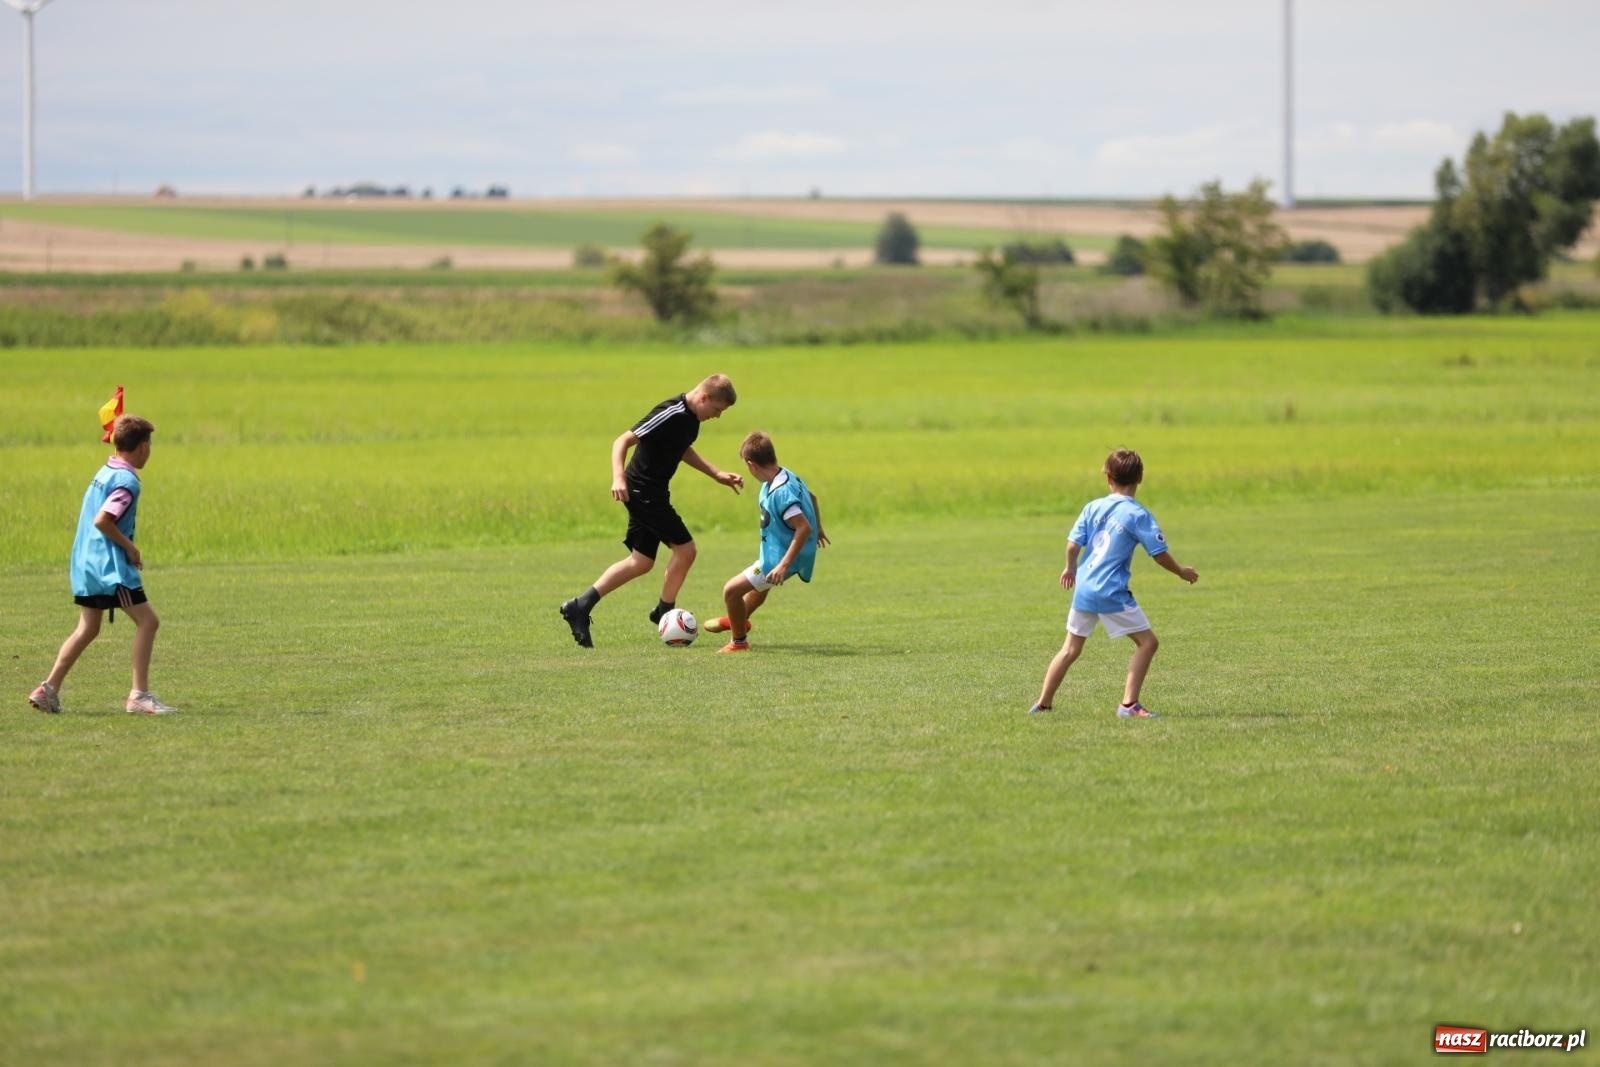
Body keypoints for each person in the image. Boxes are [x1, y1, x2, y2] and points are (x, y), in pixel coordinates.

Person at [560, 374, 743, 648]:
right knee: (686, 550)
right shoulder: (671, 412)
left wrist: (715, 473)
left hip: (653, 492)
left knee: (641, 562)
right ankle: (664, 611)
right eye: (717, 410)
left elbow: (681, 449)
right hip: (641, 491)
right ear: (704, 397)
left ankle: (580, 605)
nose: (718, 416)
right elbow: (621, 441)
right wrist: (617, 477)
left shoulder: (691, 420)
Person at [28, 414, 178, 716]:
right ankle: (139, 696)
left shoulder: (107, 469)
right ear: (143, 447)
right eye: (149, 444)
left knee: (88, 627)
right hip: (110, 569)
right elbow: (103, 520)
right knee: (148, 622)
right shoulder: (127, 481)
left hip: (85, 564)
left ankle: (48, 689)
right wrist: (131, 547)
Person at [1031, 448, 1197, 718]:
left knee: (1070, 649)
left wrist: (1070, 569)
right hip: (1111, 591)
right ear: (1140, 478)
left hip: (1084, 587)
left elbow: (1073, 545)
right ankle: (1129, 705)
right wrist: (1181, 571)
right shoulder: (1138, 515)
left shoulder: (1092, 507)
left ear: (1108, 477)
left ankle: (1042, 704)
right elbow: (1159, 555)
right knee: (1148, 643)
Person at [705, 430, 828, 653]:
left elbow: (802, 528)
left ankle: (738, 641)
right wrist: (819, 528)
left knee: (731, 591)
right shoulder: (786, 475)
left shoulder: (780, 492)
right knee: (759, 589)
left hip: (782, 556)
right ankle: (737, 620)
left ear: (751, 464)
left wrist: (783, 565)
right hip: (781, 551)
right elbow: (812, 497)